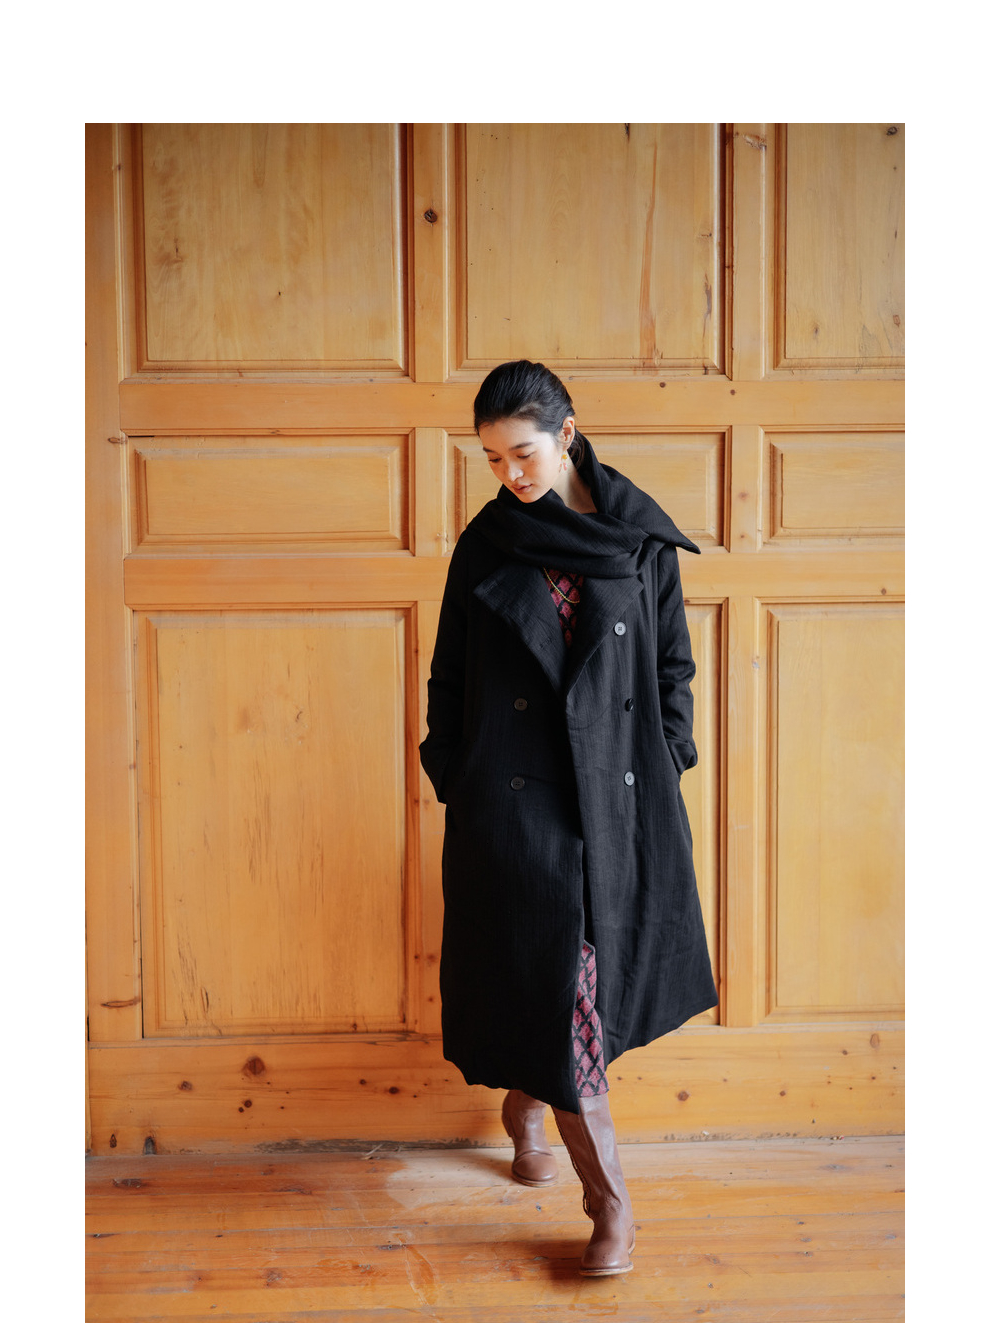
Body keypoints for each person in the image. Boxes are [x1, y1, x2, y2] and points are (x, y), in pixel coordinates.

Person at [419, 360, 717, 1276]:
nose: (509, 473)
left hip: (616, 801)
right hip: (519, 814)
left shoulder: (638, 538)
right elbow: (449, 678)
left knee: (574, 990)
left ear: (568, 433)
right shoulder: (486, 546)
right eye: (492, 458)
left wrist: (666, 754)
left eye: (523, 452)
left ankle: (524, 1105)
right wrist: (457, 775)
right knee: (566, 989)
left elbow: (672, 668)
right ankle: (610, 1203)